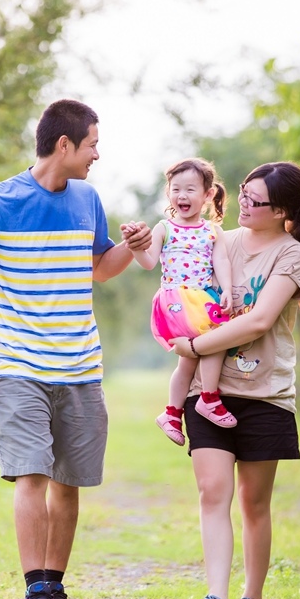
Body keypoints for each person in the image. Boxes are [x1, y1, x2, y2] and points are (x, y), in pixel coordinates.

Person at [0, 98, 152, 599]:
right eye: (91, 144)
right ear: (63, 145)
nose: (96, 155)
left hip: (80, 366)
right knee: (32, 476)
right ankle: (34, 595)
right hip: (18, 363)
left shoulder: (88, 199)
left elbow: (100, 269)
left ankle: (56, 592)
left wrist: (133, 248)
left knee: (69, 483)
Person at [168, 161, 300, 599]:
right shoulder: (221, 239)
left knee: (254, 503)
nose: (242, 204)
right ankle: (215, 597)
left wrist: (196, 344)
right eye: (242, 193)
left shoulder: (290, 253)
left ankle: (251, 598)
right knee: (212, 491)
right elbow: (180, 276)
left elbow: (259, 320)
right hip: (210, 389)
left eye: (254, 201)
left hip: (265, 395)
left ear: (281, 211)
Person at [127, 158, 236, 447]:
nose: (182, 196)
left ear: (208, 195)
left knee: (190, 360)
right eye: (176, 189)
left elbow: (221, 261)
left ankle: (172, 413)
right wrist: (136, 246)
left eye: (190, 189)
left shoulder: (213, 231)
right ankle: (208, 399)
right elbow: (149, 262)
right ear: (168, 193)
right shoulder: (164, 227)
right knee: (215, 341)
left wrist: (226, 289)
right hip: (175, 300)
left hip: (202, 299)